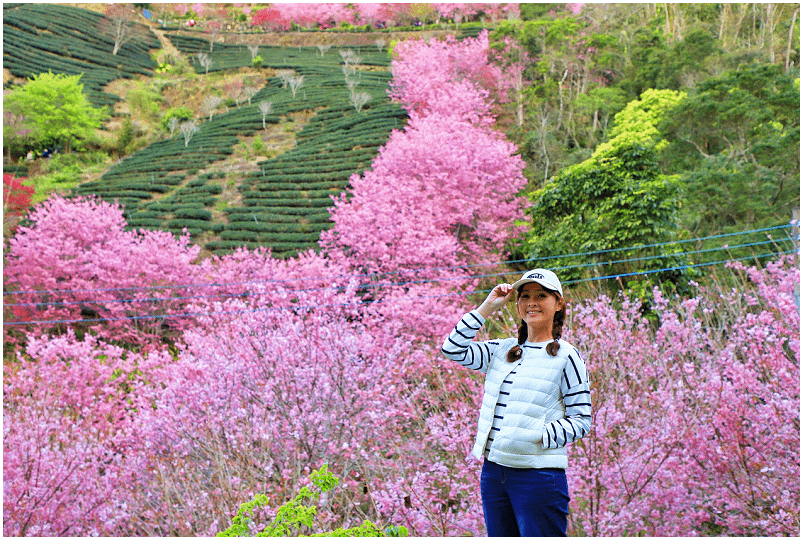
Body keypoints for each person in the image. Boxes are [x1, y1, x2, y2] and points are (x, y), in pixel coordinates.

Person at [441, 268, 591, 537]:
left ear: (558, 303)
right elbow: (452, 348)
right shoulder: (502, 350)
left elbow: (582, 420)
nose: (531, 302)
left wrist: (535, 435)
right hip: (494, 473)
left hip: (538, 477)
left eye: (541, 295)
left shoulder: (567, 357)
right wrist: (488, 306)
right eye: (525, 296)